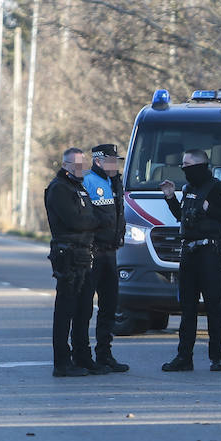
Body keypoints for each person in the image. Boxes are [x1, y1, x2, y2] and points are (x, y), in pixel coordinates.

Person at [160, 148, 221, 372]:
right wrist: (169, 197)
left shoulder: (217, 189)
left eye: (186, 165)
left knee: (214, 307)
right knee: (187, 309)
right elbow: (182, 217)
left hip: (209, 254)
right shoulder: (187, 189)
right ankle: (184, 357)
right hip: (189, 253)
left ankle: (217, 358)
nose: (183, 169)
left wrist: (210, 208)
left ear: (198, 166)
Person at [44, 148, 100, 377]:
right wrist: (95, 220)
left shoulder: (79, 187)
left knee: (84, 309)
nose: (81, 169)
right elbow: (75, 220)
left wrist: (93, 220)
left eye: (82, 165)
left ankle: (82, 357)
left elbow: (89, 217)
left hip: (84, 253)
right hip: (67, 254)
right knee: (65, 310)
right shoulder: (59, 188)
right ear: (65, 165)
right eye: (76, 166)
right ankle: (62, 363)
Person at [83, 143, 129, 373]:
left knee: (109, 305)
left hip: (111, 253)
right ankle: (82, 355)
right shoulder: (89, 181)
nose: (115, 165)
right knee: (85, 307)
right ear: (99, 161)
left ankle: (104, 354)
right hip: (94, 252)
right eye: (112, 161)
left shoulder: (115, 183)